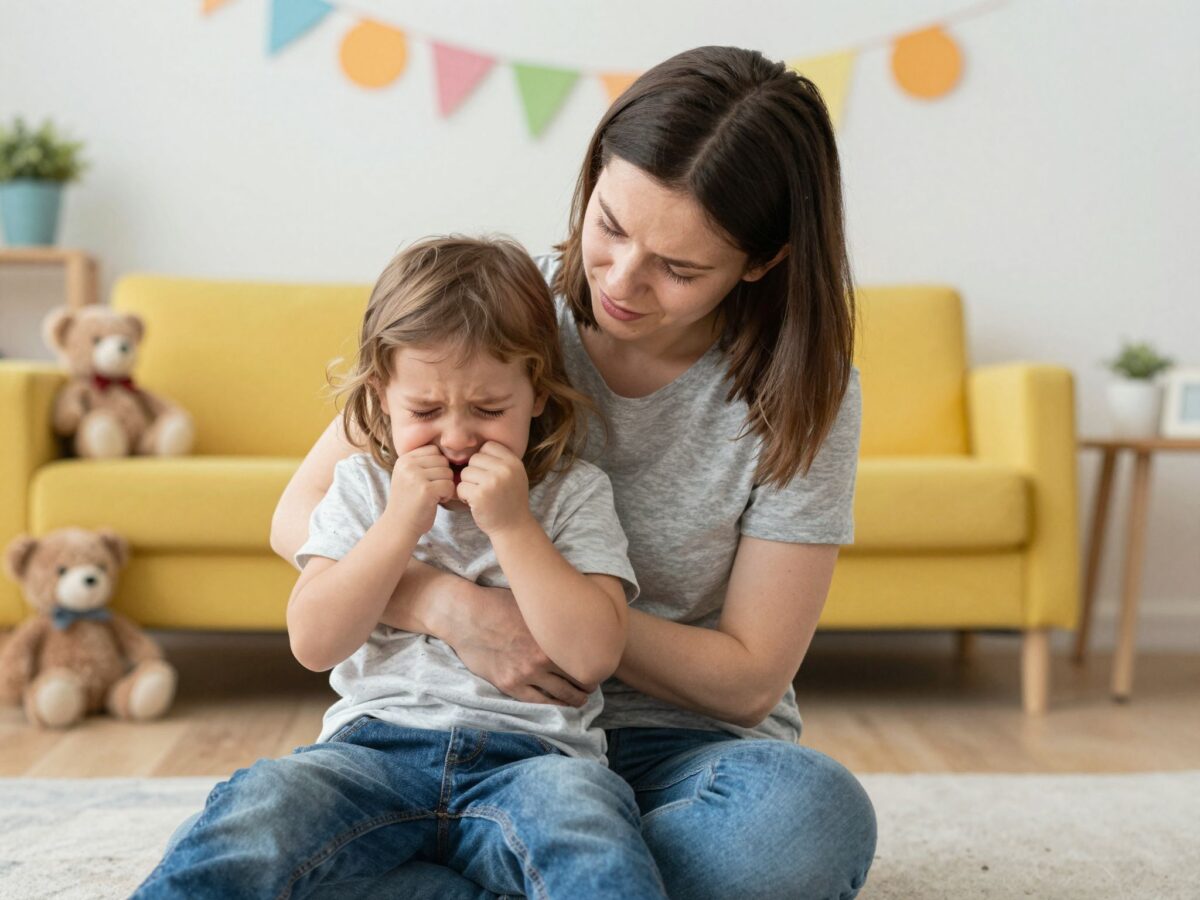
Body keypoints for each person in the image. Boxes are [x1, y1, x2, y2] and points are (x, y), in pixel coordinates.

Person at [274, 45, 877, 899]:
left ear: (761, 261)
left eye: (679, 268)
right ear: (592, 179)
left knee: (807, 820)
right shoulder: (504, 314)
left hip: (679, 749)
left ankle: (499, 868)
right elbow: (301, 510)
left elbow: (747, 681)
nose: (621, 282)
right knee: (278, 815)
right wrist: (453, 608)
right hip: (476, 724)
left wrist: (567, 623)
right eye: (611, 227)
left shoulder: (805, 391)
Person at [134, 237, 669, 899]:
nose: (457, 437)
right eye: (425, 411)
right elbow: (314, 642)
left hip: (534, 763)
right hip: (371, 753)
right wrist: (397, 526)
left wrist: (512, 526)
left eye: (489, 409)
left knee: (591, 829)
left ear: (536, 393)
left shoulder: (573, 493)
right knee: (261, 804)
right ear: (381, 397)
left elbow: (593, 655)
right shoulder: (362, 486)